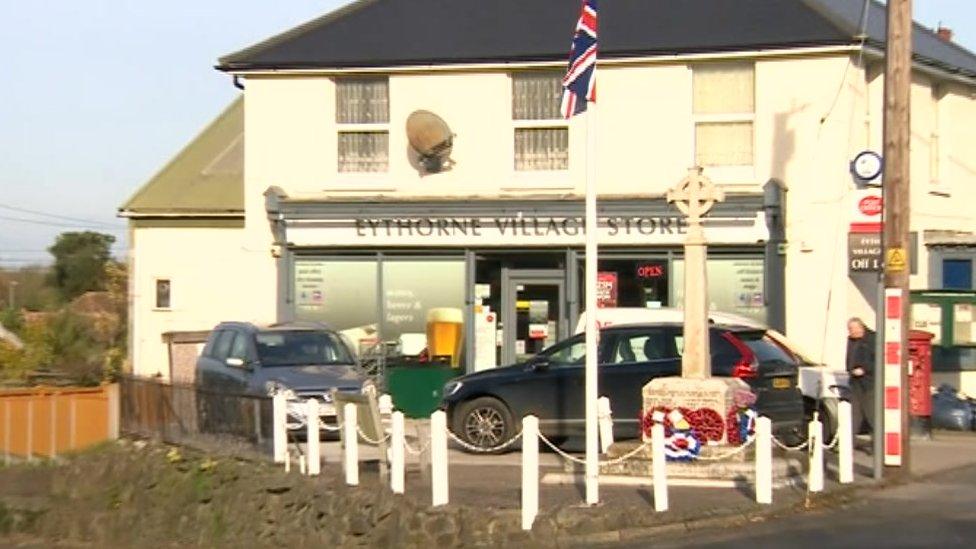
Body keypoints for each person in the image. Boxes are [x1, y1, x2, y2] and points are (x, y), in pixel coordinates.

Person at [846, 317, 876, 434]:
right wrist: (850, 369)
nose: (851, 332)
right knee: (855, 415)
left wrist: (865, 370)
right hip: (855, 382)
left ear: (861, 327)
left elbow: (878, 361)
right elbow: (849, 358)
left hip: (869, 383)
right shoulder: (851, 340)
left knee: (872, 415)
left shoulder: (872, 339)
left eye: (853, 329)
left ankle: (878, 445)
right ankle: (849, 445)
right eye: (849, 329)